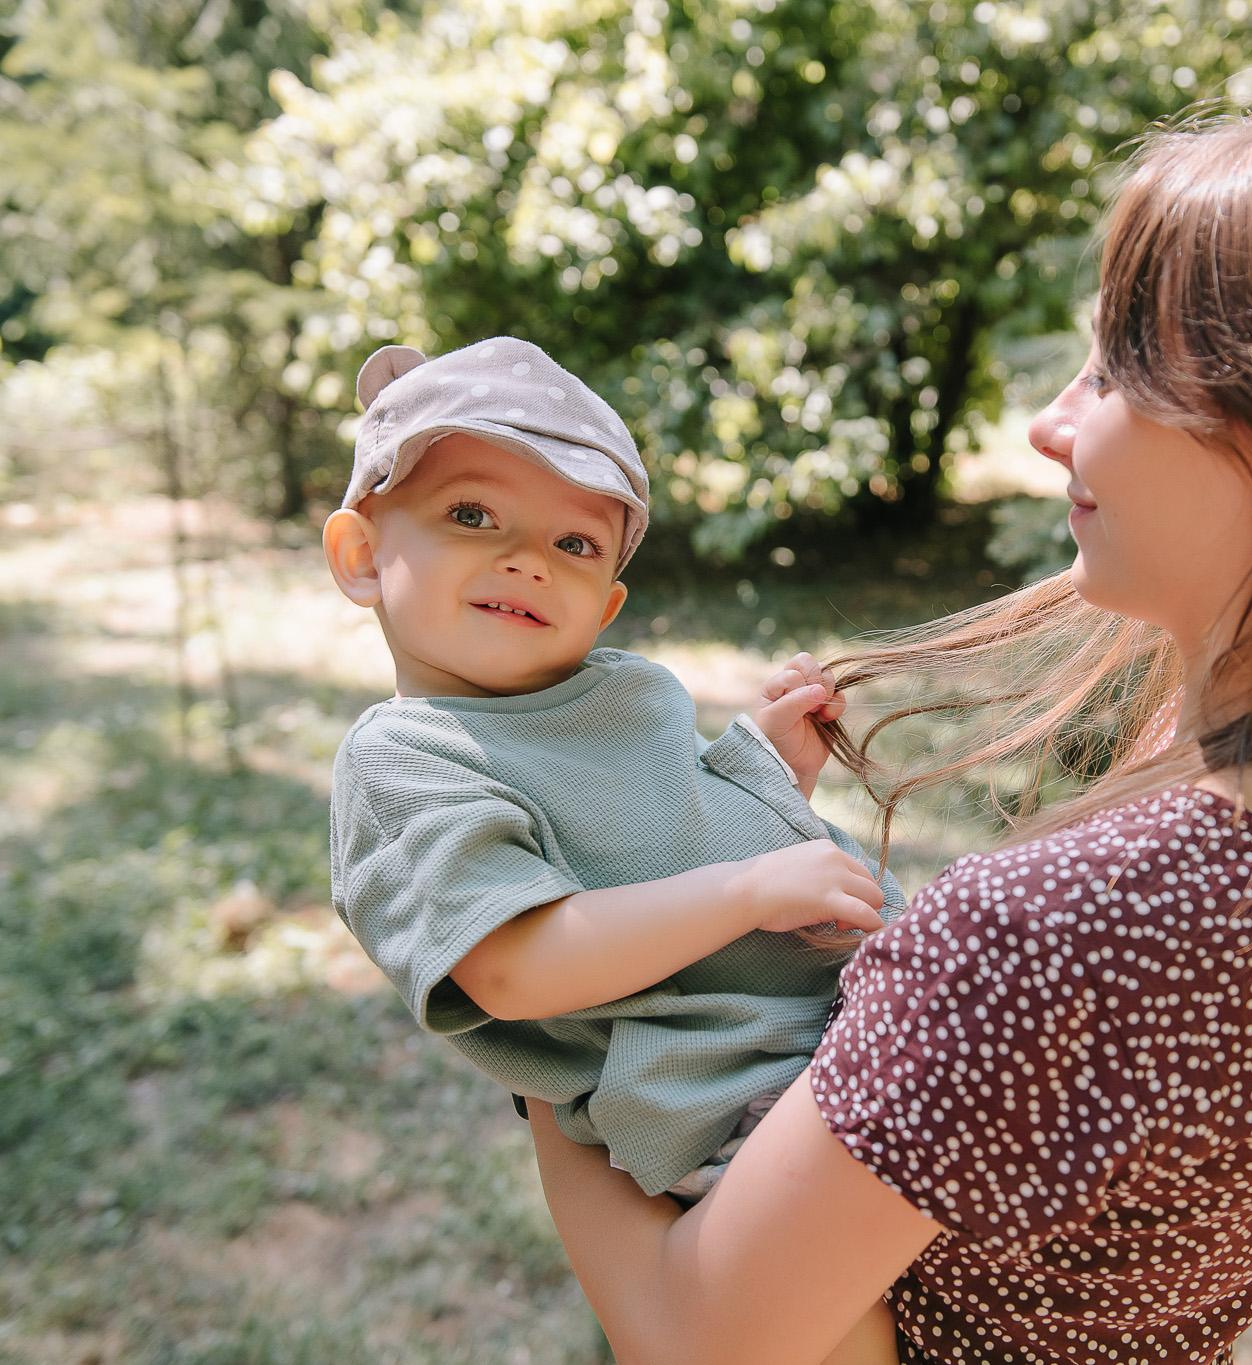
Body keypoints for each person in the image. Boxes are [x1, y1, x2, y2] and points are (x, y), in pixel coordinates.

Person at [519, 70, 1252, 1364]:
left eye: (1115, 363)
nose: (1053, 424)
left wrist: (548, 1006)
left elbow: (695, 1331)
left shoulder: (1053, 933)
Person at [320, 337, 908, 1363]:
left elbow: (666, 820)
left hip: (838, 1021)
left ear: (607, 605)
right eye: (472, 516)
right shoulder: (410, 758)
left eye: (576, 545)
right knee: (826, 1322)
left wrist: (766, 767)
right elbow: (516, 961)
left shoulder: (615, 695)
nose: (526, 559)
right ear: (361, 555)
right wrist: (746, 890)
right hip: (723, 1090)